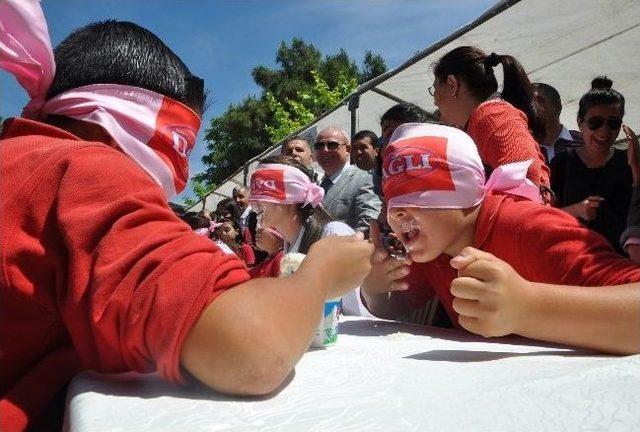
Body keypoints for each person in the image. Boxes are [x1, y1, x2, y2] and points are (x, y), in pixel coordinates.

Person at [0, 3, 373, 430]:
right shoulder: (85, 169)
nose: (182, 178)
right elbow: (252, 350)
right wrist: (322, 272)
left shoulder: (25, 160)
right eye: (180, 144)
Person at [361, 122, 640, 355]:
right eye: (393, 200)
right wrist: (373, 286)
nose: (394, 213)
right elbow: (394, 309)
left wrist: (528, 307)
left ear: (464, 194)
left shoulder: (529, 227)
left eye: (417, 196)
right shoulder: (436, 249)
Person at [249, 155, 371, 316]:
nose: (253, 204)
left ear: (291, 197)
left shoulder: (334, 235)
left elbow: (357, 314)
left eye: (262, 194)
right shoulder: (290, 244)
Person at [429, 46, 550, 191]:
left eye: (435, 89)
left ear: (452, 85)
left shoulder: (492, 117)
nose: (434, 101)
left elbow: (527, 184)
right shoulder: (482, 121)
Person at [551, 77, 636, 254]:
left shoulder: (629, 160)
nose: (604, 131)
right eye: (595, 123)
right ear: (580, 122)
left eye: (613, 123)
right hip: (578, 260)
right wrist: (577, 209)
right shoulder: (562, 163)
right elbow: (547, 216)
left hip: (624, 262)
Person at [314, 126, 381, 233]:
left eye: (332, 145)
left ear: (348, 150)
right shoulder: (316, 187)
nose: (325, 150)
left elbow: (369, 224)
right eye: (319, 146)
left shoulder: (365, 179)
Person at [532, 82, 582, 162]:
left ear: (557, 106)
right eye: (529, 102)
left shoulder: (583, 142)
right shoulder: (520, 148)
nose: (532, 107)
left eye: (539, 101)